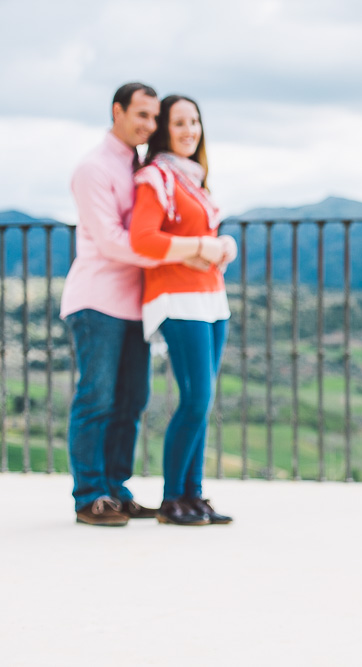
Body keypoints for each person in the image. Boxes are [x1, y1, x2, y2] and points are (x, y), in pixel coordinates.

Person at [130, 94, 237, 526]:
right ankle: (174, 497)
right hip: (179, 299)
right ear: (163, 131)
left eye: (195, 121)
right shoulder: (155, 178)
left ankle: (193, 496)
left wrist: (223, 246)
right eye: (179, 123)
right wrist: (200, 246)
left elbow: (207, 242)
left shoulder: (193, 180)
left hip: (211, 299)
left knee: (202, 403)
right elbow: (143, 240)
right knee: (195, 399)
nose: (190, 130)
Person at [62, 82, 166, 526]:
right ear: (116, 111)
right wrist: (179, 251)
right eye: (141, 114)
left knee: (131, 400)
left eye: (154, 117)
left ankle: (116, 490)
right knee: (97, 399)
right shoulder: (93, 168)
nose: (149, 125)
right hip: (97, 300)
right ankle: (90, 496)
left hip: (135, 304)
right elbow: (110, 241)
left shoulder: (140, 168)